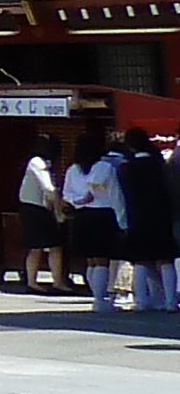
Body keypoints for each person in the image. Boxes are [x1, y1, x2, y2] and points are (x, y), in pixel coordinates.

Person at [63, 125, 129, 312]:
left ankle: (96, 297)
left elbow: (67, 194)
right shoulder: (104, 167)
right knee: (102, 259)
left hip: (82, 216)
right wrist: (122, 221)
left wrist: (79, 201)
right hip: (103, 215)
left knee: (90, 259)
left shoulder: (72, 169)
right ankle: (101, 299)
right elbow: (116, 196)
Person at [120, 131, 178, 316]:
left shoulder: (126, 168)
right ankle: (170, 300)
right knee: (165, 259)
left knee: (141, 260)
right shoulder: (160, 165)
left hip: (137, 216)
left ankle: (142, 300)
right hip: (161, 214)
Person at [15, 136, 68, 292]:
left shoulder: (47, 163)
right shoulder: (37, 162)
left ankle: (57, 281)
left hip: (43, 208)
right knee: (35, 246)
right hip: (33, 208)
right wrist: (60, 208)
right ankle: (32, 281)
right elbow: (49, 189)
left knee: (55, 245)